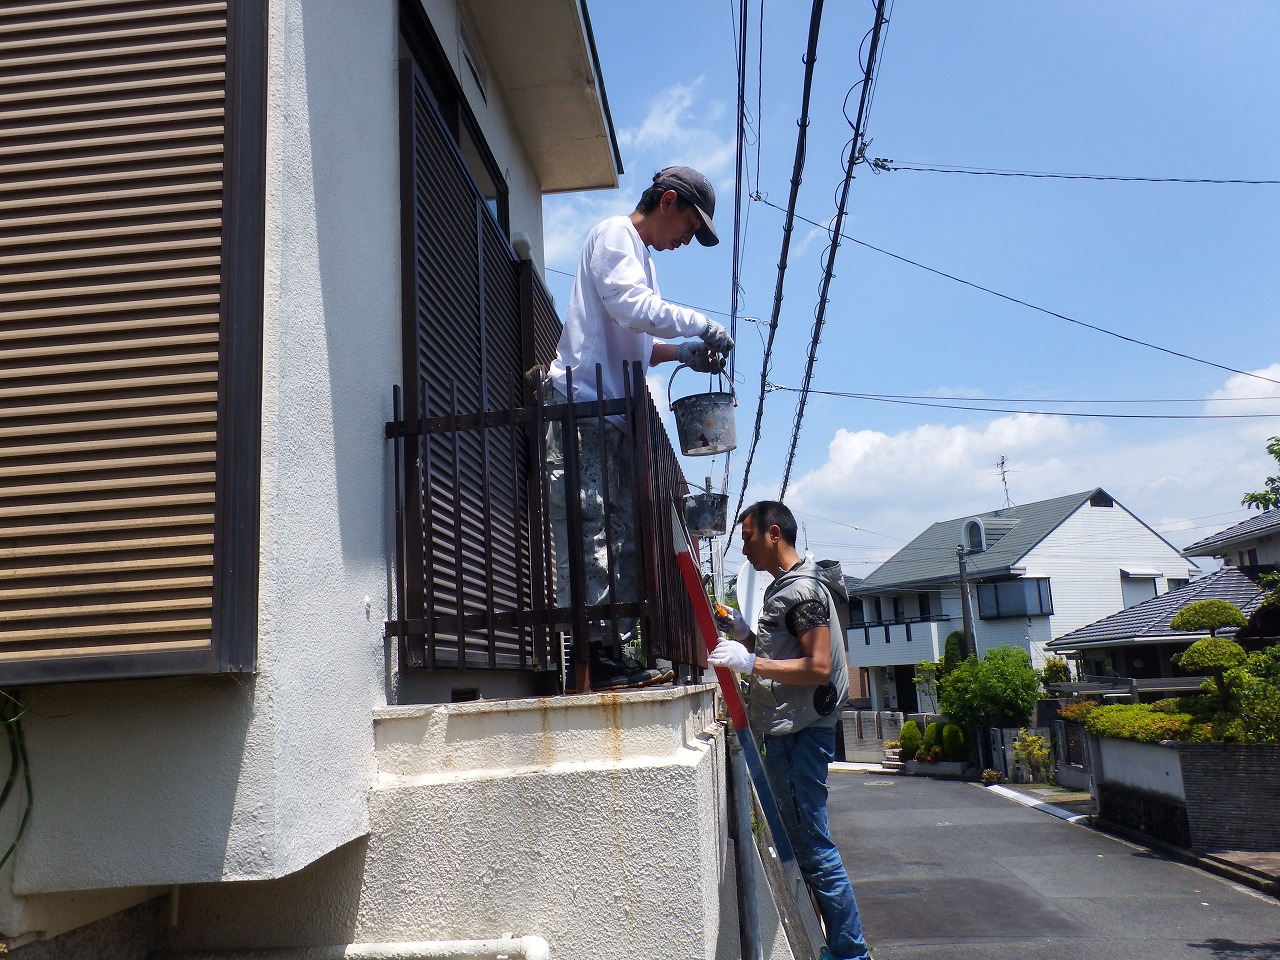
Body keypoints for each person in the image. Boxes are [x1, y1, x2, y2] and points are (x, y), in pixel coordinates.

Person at [545, 166, 734, 693]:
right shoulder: (614, 235)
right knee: (591, 530)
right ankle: (592, 655)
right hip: (579, 407)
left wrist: (682, 355)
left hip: (609, 413)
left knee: (618, 534)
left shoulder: (640, 256)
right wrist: (700, 324)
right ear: (668, 200)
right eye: (689, 228)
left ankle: (614, 654)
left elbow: (637, 341)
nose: (686, 242)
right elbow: (632, 309)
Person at [710, 501, 873, 960]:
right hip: (794, 729)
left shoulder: (801, 592)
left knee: (814, 849)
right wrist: (745, 634)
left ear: (774, 533)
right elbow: (787, 648)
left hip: (800, 734)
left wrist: (750, 661)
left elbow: (817, 666)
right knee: (808, 847)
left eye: (748, 538)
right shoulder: (788, 588)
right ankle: (841, 948)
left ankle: (849, 953)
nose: (744, 549)